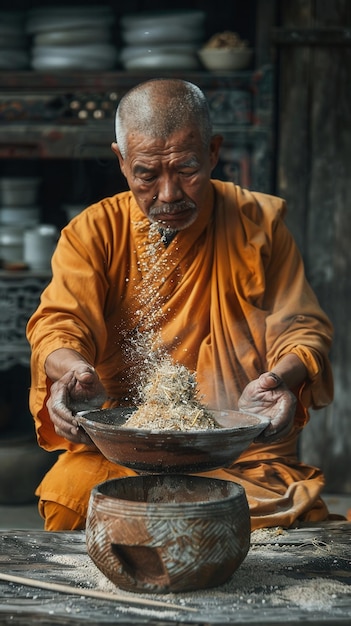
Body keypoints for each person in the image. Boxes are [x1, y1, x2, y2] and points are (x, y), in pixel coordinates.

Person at [26, 78, 334, 532]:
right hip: (128, 450)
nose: (169, 194)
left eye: (186, 169)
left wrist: (279, 379)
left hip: (237, 452)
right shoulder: (94, 232)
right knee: (73, 497)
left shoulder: (258, 225)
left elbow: (301, 327)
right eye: (147, 174)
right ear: (122, 161)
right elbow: (60, 323)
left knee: (277, 514)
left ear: (213, 152)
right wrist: (71, 372)